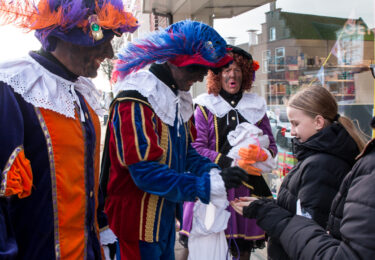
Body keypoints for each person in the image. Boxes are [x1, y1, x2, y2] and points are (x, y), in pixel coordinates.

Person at [99, 20, 249, 260]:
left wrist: (217, 171)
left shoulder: (176, 98)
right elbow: (145, 173)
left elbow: (186, 152)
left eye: (206, 69)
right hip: (137, 223)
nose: (200, 77)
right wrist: (205, 186)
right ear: (172, 61)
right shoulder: (136, 99)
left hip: (165, 216)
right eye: (195, 68)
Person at [0, 0, 138, 259]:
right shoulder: (14, 91)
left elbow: (86, 182)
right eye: (101, 39)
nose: (109, 52)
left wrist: (102, 231)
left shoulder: (82, 95)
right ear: (65, 37)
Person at [231, 85, 367, 259]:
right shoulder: (318, 158)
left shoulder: (321, 165)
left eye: (296, 124)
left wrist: (263, 210)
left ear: (318, 122)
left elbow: (307, 231)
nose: (292, 131)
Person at [180, 46, 277, 260]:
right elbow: (196, 147)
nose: (232, 75)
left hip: (247, 188)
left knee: (242, 250)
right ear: (216, 74)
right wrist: (229, 162)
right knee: (199, 243)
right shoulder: (205, 106)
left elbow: (271, 145)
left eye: (237, 70)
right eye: (225, 70)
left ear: (245, 74)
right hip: (213, 183)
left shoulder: (256, 106)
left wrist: (260, 155)